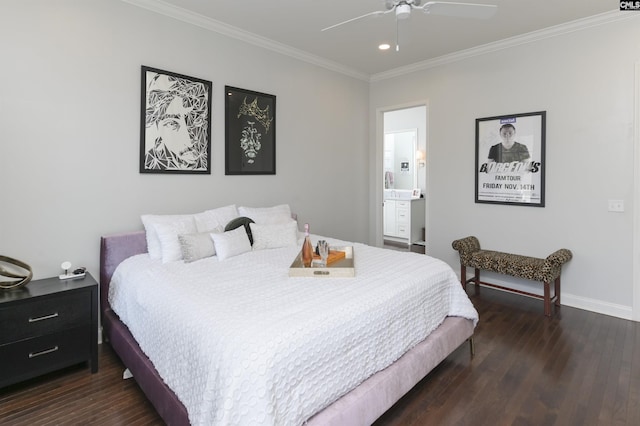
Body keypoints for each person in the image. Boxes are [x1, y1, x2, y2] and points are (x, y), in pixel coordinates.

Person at [143, 73, 208, 171]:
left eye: (197, 120)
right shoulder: (151, 163)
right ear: (157, 127)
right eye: (172, 124)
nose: (189, 140)